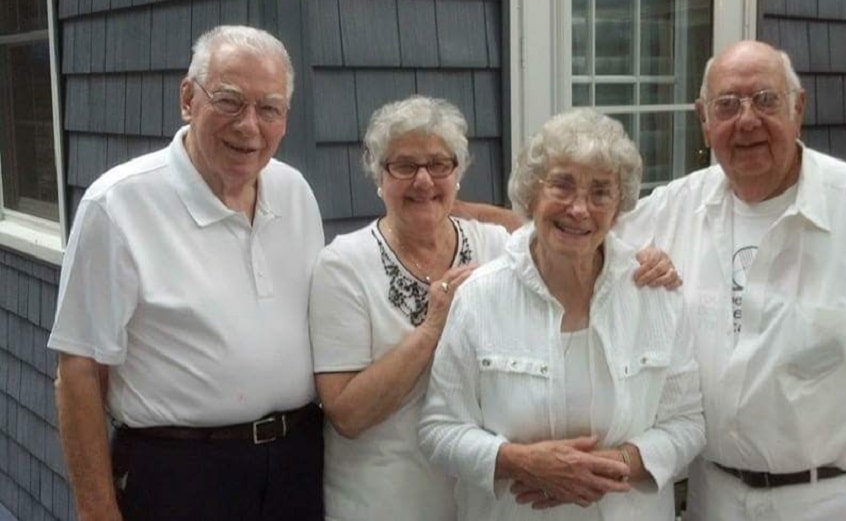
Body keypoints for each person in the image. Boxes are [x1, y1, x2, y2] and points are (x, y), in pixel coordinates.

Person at [613, 40, 846, 521]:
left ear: (798, 108)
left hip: (831, 499)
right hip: (712, 497)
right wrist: (482, 242)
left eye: (766, 100)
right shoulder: (676, 207)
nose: (746, 121)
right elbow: (574, 232)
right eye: (727, 105)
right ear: (704, 120)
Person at [48, 25, 325, 521]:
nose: (249, 126)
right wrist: (96, 511)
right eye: (229, 101)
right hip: (180, 474)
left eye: (270, 108)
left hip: (296, 463)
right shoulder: (118, 206)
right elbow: (79, 371)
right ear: (187, 98)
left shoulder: (295, 192)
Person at [418, 108, 706, 521]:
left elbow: (687, 423)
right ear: (532, 194)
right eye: (562, 185)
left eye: (600, 192)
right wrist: (520, 462)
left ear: (620, 204)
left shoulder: (654, 295)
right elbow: (439, 429)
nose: (579, 208)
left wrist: (611, 467)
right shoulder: (481, 298)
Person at [309, 95, 509, 521]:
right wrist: (432, 327)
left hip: (479, 498)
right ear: (378, 176)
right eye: (403, 165)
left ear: (459, 173)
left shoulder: (495, 247)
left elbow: (564, 238)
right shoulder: (344, 265)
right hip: (383, 501)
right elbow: (347, 413)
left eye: (440, 164)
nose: (424, 180)